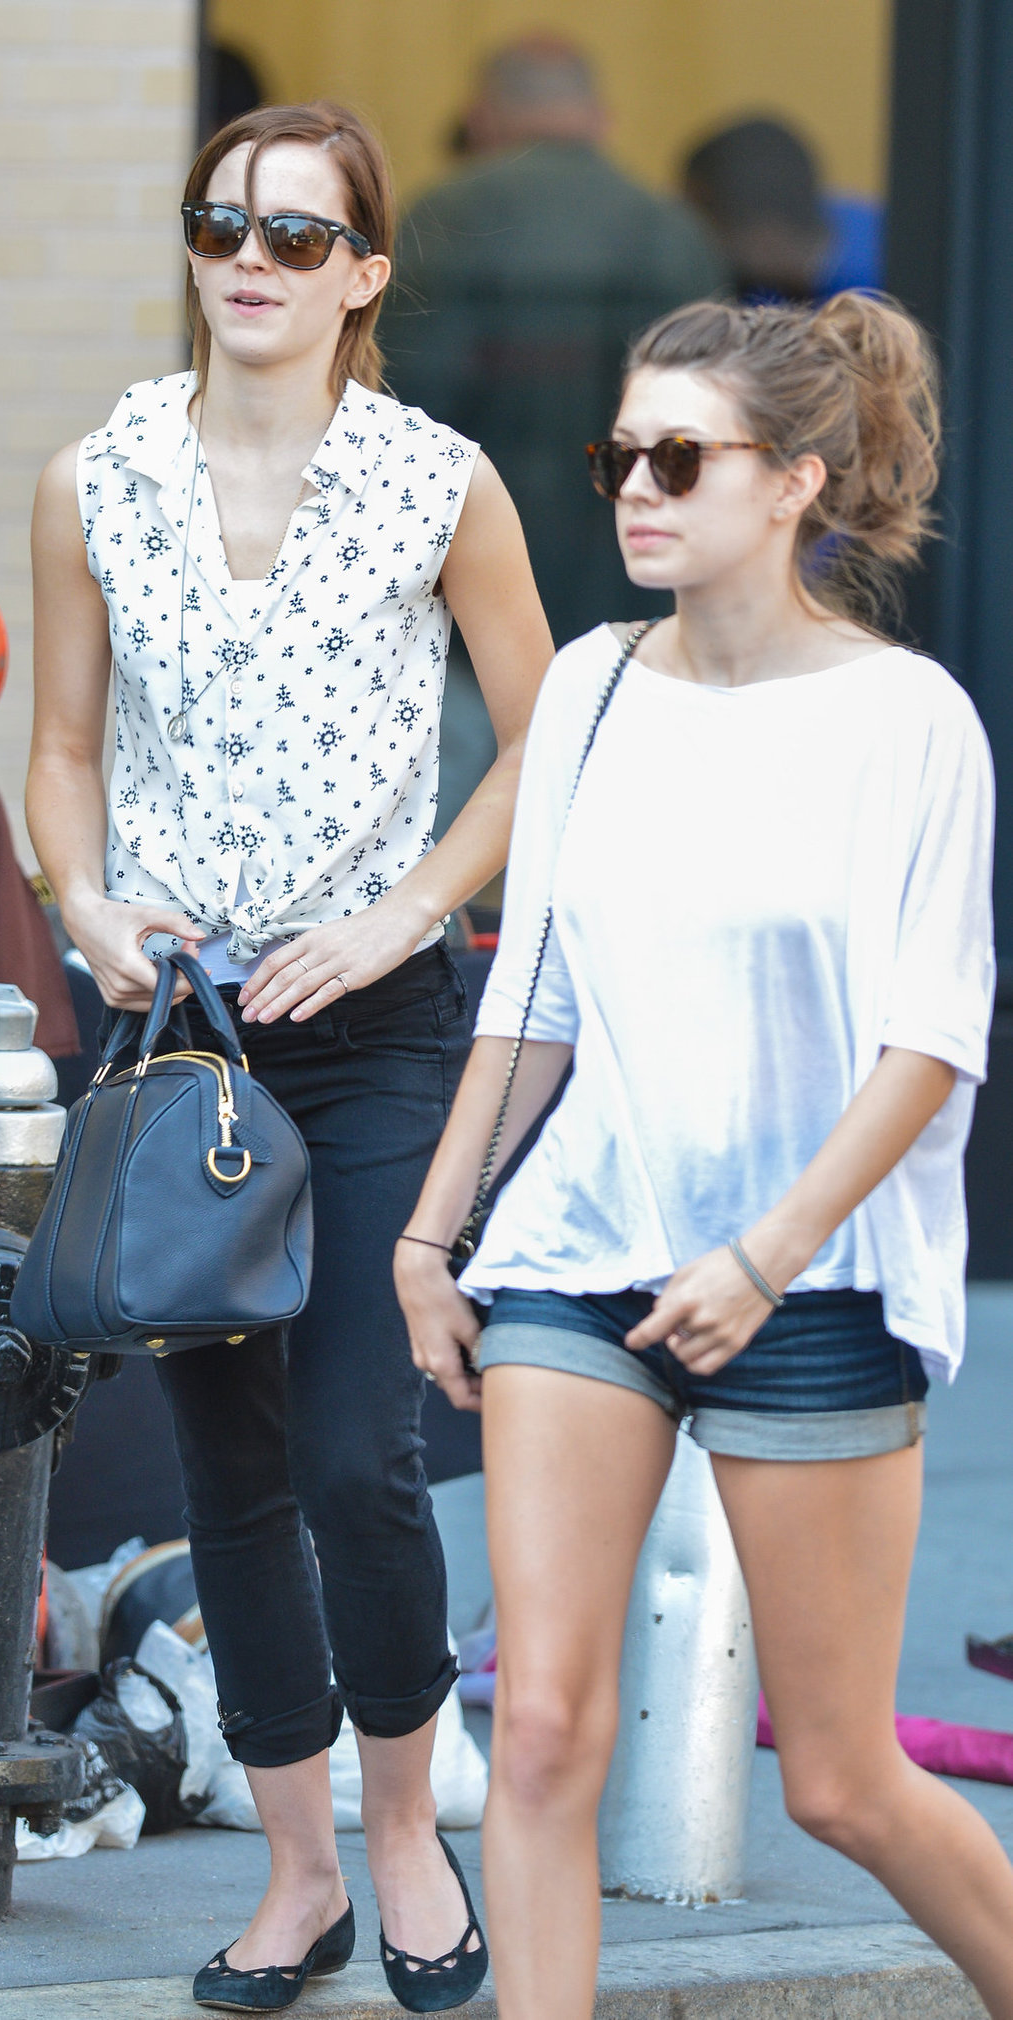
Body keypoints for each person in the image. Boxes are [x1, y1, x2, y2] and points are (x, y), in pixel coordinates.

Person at [395, 291, 1013, 2019]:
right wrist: (430, 1236)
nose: (632, 492)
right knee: (533, 1726)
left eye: (677, 458)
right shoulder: (590, 686)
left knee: (833, 1775)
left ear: (795, 481)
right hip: (577, 1247)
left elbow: (929, 1037)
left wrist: (762, 1254)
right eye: (617, 457)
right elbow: (534, 990)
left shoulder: (904, 723)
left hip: (807, 1273)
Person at [27, 100, 552, 2013]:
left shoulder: (441, 484)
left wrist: (407, 912)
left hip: (379, 1025)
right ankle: (298, 1875)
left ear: (366, 272)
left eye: (298, 237)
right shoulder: (93, 478)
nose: (251, 261)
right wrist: (84, 905)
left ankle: (409, 1833)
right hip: (178, 1041)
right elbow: (62, 753)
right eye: (220, 225)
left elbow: (540, 734)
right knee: (230, 1474)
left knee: (359, 1449)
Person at [384, 34, 724, 663]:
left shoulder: (439, 222)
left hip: (458, 620)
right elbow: (708, 443)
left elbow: (392, 424)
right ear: (600, 119)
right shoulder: (673, 235)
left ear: (480, 117)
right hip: (630, 601)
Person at [680, 117, 833, 302]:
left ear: (765, 233)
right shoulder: (758, 284)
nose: (690, 236)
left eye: (700, 219)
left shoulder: (868, 285)